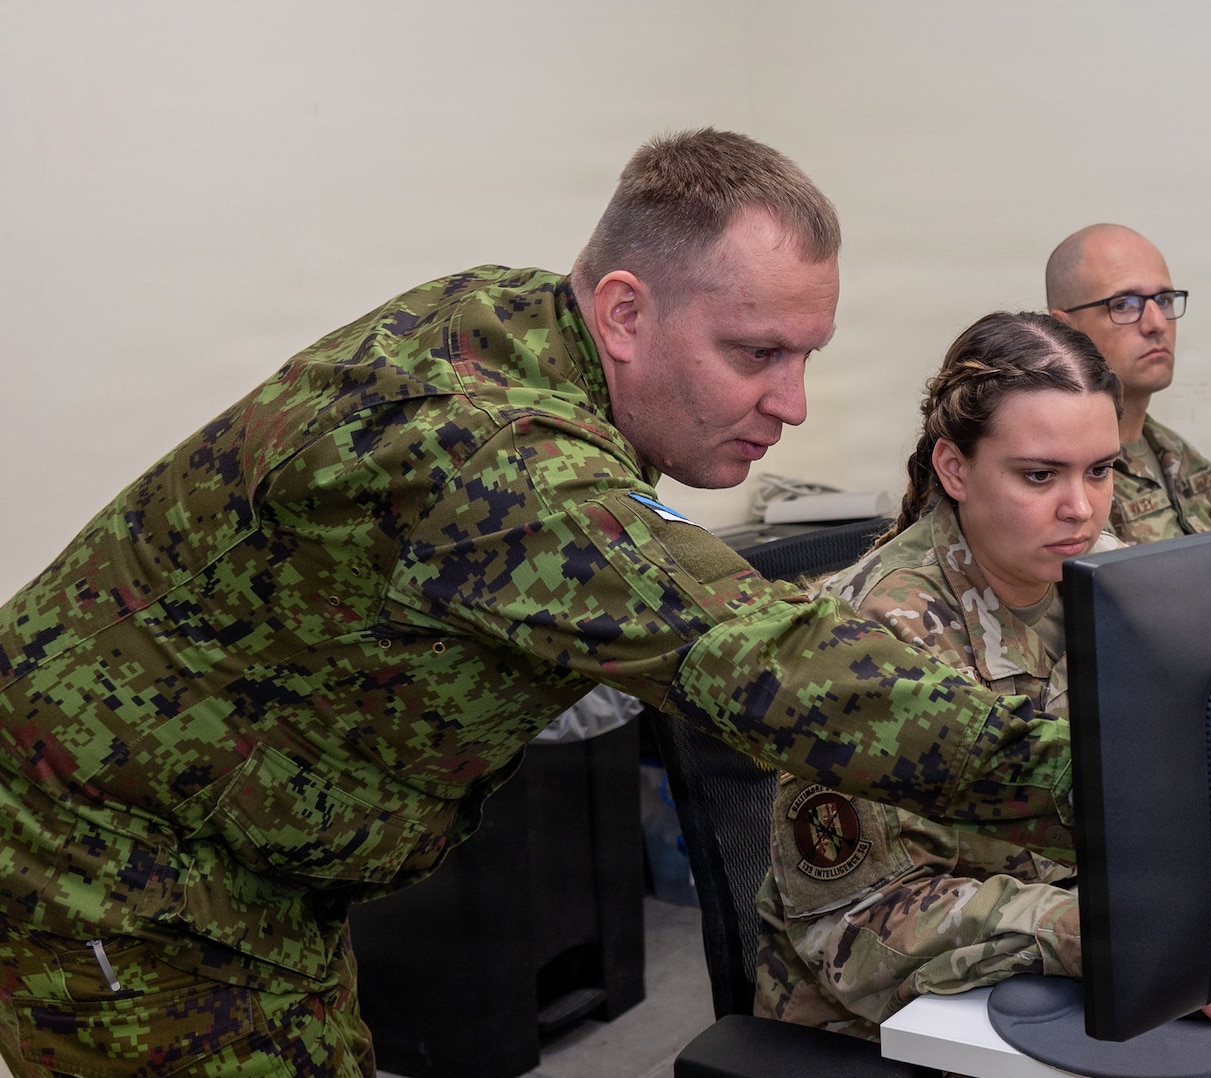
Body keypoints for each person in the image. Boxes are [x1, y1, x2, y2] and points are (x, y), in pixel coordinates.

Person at [0, 130, 1072, 1076]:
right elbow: (768, 662)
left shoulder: (517, 322)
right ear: (623, 313)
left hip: (251, 855)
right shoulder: (492, 457)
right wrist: (1117, 781)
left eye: (805, 356)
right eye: (755, 353)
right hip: (105, 853)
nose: (789, 404)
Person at [753, 311, 1121, 1040]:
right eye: (1039, 475)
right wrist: (1090, 927)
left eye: (1101, 470)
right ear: (955, 469)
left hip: (1044, 971)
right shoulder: (866, 638)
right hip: (884, 1023)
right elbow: (852, 923)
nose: (1081, 508)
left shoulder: (1110, 578)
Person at [1046, 224, 1211, 543]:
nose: (1157, 323)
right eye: (1124, 305)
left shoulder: (1175, 453)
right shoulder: (1049, 473)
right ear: (1065, 328)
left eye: (1164, 299)